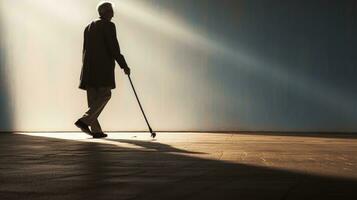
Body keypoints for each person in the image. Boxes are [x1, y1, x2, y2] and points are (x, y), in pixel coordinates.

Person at [75, 1, 130, 138]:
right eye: (111, 11)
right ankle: (84, 121)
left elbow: (85, 50)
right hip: (102, 68)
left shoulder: (88, 27)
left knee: (93, 101)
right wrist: (124, 65)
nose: (113, 13)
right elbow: (114, 48)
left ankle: (96, 131)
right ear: (105, 12)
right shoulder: (109, 25)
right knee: (105, 94)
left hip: (88, 69)